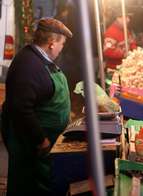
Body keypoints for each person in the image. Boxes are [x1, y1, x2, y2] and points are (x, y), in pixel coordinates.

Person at [1, 18, 72, 195]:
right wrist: (40, 140)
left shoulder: (40, 58)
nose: (62, 48)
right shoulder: (28, 65)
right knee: (27, 185)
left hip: (43, 144)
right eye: (62, 44)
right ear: (51, 43)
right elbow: (21, 109)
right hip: (30, 143)